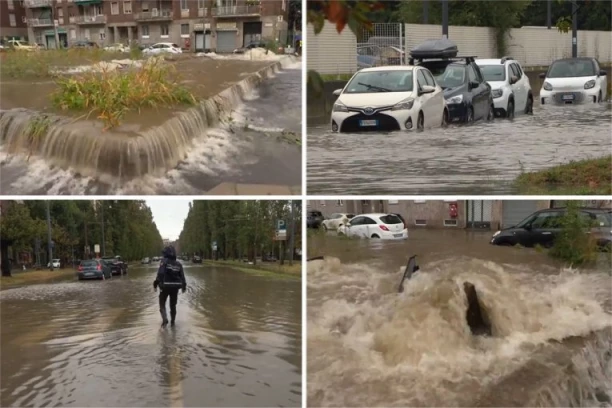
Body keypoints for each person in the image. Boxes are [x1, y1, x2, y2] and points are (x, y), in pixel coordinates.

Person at [153, 246, 187, 328]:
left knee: (162, 304)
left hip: (164, 287)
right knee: (173, 305)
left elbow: (160, 275)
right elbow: (182, 276)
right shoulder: (179, 264)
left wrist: (155, 284)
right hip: (175, 288)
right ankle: (172, 323)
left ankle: (165, 319)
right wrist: (184, 287)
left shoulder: (164, 262)